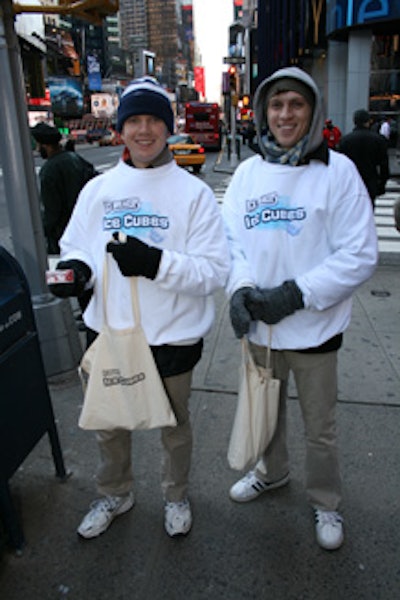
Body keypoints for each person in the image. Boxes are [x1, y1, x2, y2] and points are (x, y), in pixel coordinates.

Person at [47, 76, 230, 539]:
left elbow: (214, 271)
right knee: (110, 426)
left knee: (174, 426)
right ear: (121, 130)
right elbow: (77, 246)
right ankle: (116, 492)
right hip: (109, 332)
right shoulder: (98, 189)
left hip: (171, 336)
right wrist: (76, 272)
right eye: (134, 121)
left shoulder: (194, 194)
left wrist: (156, 263)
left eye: (153, 120)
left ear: (169, 128)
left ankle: (175, 494)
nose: (144, 130)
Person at [222, 66, 378, 551]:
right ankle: (272, 473)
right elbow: (230, 242)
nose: (285, 114)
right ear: (264, 113)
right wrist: (241, 289)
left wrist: (294, 294)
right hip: (262, 331)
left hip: (315, 330)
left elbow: (360, 254)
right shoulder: (247, 174)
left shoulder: (339, 172)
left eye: (296, 104)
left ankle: (325, 501)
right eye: (276, 105)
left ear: (311, 112)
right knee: (264, 416)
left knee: (320, 429)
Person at [31, 122, 97, 255]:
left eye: (39, 146)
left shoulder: (49, 170)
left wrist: (40, 232)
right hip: (85, 228)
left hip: (63, 235)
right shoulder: (75, 158)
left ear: (45, 145)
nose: (38, 150)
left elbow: (52, 211)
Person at [339, 109, 389, 210]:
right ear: (368, 121)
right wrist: (382, 184)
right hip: (370, 180)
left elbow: (339, 166)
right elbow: (384, 165)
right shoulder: (378, 140)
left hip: (352, 182)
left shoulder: (345, 140)